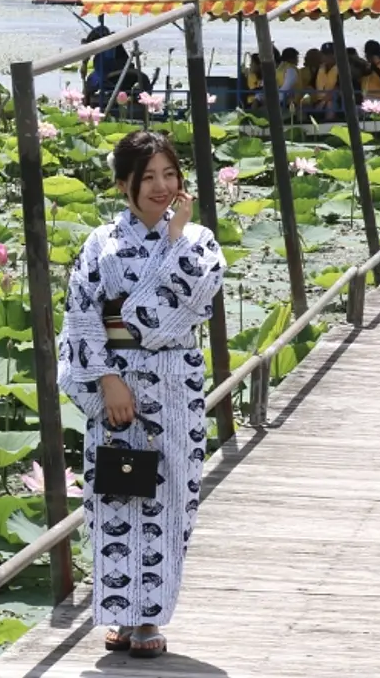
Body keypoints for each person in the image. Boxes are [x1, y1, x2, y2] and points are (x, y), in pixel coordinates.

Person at [56, 130, 226, 659]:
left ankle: (150, 617)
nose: (160, 185)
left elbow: (193, 303)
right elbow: (81, 313)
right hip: (116, 387)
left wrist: (174, 238)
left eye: (169, 174)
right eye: (147, 176)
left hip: (175, 382)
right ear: (124, 183)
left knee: (170, 500)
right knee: (116, 493)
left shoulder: (197, 240)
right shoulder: (100, 243)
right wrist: (106, 377)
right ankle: (122, 615)